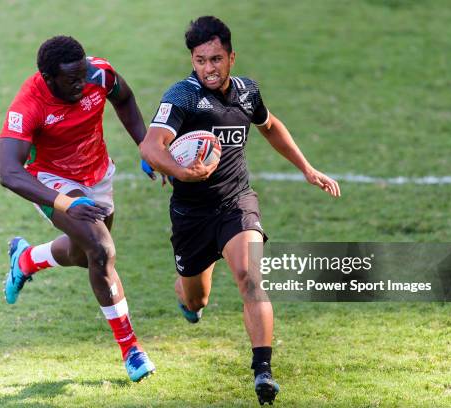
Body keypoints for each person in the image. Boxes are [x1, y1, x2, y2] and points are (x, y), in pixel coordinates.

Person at [140, 16, 341, 405]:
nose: (208, 69)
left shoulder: (248, 92)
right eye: (200, 60)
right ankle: (187, 297)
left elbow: (269, 126)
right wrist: (181, 171)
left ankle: (262, 371)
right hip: (191, 215)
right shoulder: (181, 96)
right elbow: (150, 147)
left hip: (236, 203)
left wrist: (307, 169)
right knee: (196, 298)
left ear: (231, 57)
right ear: (192, 61)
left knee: (250, 274)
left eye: (216, 59)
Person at [0, 35, 158, 382]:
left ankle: (26, 259)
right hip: (52, 181)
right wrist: (65, 201)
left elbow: (125, 98)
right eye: (72, 79)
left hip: (96, 173)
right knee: (101, 250)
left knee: (87, 256)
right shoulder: (28, 105)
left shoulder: (98, 74)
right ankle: (131, 349)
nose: (82, 84)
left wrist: (145, 145)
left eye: (83, 73)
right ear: (48, 78)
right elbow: (9, 172)